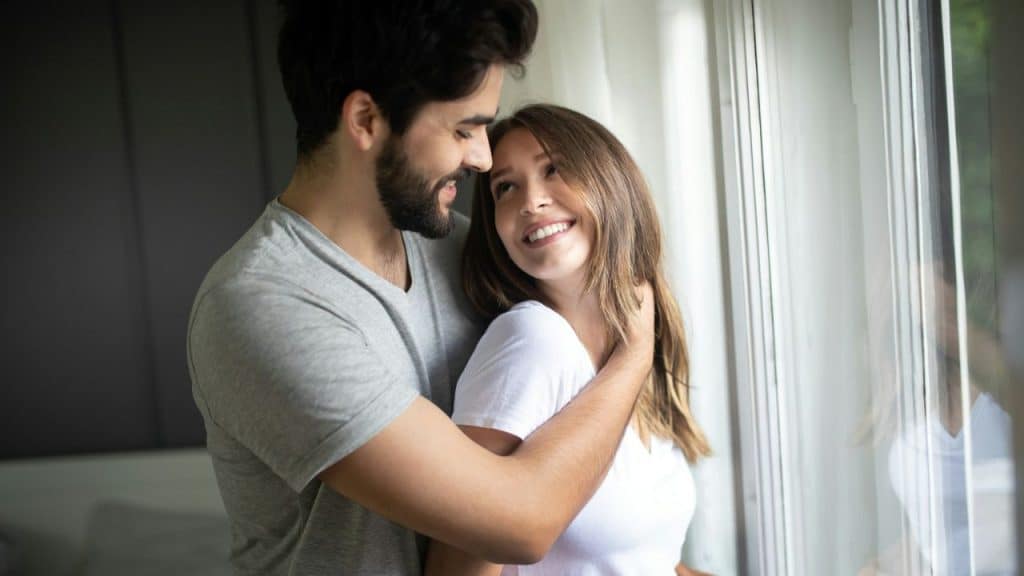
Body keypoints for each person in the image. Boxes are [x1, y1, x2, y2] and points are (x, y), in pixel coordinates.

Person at [186, 2, 657, 575]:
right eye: (465, 128)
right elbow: (521, 523)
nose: (483, 159)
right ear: (365, 120)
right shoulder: (262, 307)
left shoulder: (464, 248)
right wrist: (635, 357)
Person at [425, 104, 712, 575]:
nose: (531, 202)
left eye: (554, 169)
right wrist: (635, 357)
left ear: (611, 180)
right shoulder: (531, 342)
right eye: (505, 188)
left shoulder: (631, 348)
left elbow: (648, 562)